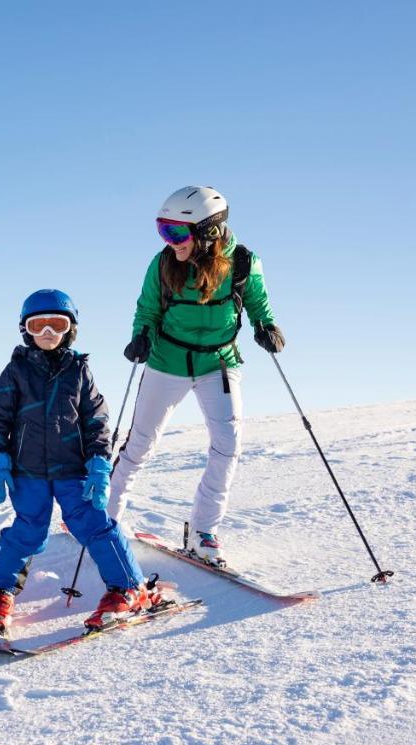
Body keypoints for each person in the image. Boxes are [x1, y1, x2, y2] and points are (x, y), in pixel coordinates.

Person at [108, 186, 284, 565]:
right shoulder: (162, 264)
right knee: (139, 444)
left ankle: (204, 530)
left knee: (228, 444)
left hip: (218, 363)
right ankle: (105, 520)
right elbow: (147, 309)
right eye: (164, 231)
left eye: (177, 233)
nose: (171, 242)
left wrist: (266, 326)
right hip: (166, 361)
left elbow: (257, 301)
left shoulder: (243, 263)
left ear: (208, 232)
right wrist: (140, 336)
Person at [0, 290, 173, 635]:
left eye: (57, 325)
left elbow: (96, 421)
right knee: (28, 531)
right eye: (39, 326)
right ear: (25, 330)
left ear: (71, 330)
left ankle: (128, 586)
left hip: (72, 470)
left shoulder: (80, 372)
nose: (48, 334)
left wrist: (99, 462)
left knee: (94, 525)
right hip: (28, 472)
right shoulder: (15, 371)